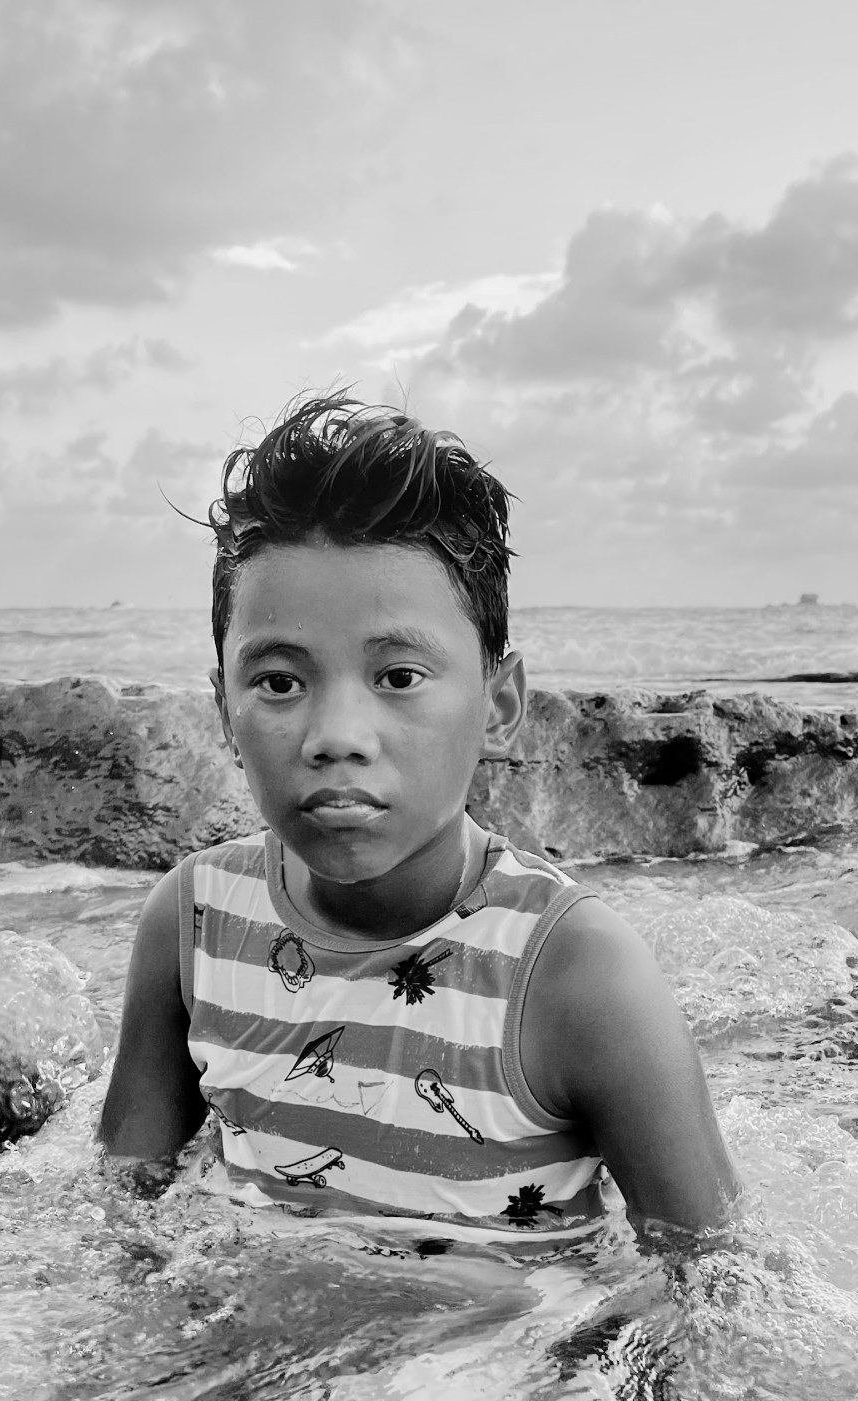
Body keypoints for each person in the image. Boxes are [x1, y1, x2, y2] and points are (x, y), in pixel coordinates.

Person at [99, 393, 738, 1247]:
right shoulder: (192, 923)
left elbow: (712, 1279)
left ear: (500, 704)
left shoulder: (579, 979)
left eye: (398, 676)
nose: (336, 738)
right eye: (280, 682)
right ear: (223, 707)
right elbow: (124, 1208)